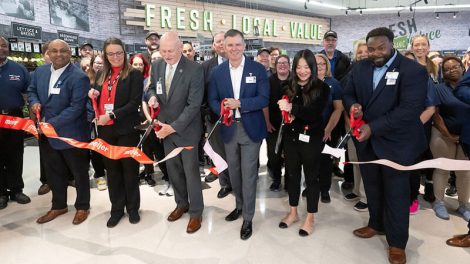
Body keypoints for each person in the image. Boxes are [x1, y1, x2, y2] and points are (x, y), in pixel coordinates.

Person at [343, 27, 428, 264]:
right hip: (367, 144)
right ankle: (376, 224)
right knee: (373, 187)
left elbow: (410, 109)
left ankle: (397, 243)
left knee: (397, 194)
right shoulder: (360, 66)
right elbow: (348, 92)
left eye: (381, 48)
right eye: (371, 49)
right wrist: (354, 107)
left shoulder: (412, 70)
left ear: (392, 44)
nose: (375, 53)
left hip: (398, 144)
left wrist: (373, 127)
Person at [208, 29, 269, 240]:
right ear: (223, 47)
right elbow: (213, 100)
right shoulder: (217, 72)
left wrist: (240, 104)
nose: (234, 49)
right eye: (230, 45)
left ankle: (249, 218)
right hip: (228, 128)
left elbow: (263, 99)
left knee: (249, 173)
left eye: (238, 45)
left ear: (244, 46)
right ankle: (239, 206)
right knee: (234, 172)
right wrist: (223, 108)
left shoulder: (257, 69)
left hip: (251, 129)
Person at [28, 39, 91, 225]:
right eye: (54, 51)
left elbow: (77, 107)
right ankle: (59, 205)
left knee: (79, 173)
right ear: (48, 53)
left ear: (70, 53)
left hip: (71, 134)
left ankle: (82, 206)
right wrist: (33, 103)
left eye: (63, 51)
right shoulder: (39, 72)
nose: (58, 54)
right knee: (53, 171)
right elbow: (31, 91)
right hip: (47, 135)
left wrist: (50, 124)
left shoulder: (78, 77)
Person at [147, 32, 204, 234]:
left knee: (191, 173)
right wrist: (152, 97)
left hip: (185, 130)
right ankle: (181, 204)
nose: (167, 55)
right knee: (174, 171)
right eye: (163, 51)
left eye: (171, 50)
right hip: (165, 129)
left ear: (180, 48)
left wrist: (173, 127)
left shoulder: (194, 70)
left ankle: (196, 212)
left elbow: (194, 105)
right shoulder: (157, 66)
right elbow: (151, 88)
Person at [88, 37, 143, 227]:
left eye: (119, 52)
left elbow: (134, 103)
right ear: (105, 55)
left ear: (124, 53)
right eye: (110, 53)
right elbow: (97, 94)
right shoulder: (101, 74)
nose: (115, 57)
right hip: (106, 132)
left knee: (130, 171)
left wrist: (111, 115)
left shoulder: (134, 74)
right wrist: (92, 94)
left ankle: (133, 208)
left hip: (127, 130)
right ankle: (117, 209)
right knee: (112, 172)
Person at [277, 49, 330, 236]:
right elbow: (284, 112)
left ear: (312, 67)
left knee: (311, 178)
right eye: (298, 67)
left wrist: (292, 108)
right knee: (292, 176)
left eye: (306, 67)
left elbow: (314, 114)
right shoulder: (288, 86)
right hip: (291, 139)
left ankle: (310, 217)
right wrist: (286, 114)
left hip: (311, 140)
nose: (302, 71)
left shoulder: (322, 88)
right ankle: (293, 213)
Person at [431, 56, 470, 222]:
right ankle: (439, 202)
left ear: (462, 67)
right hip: (443, 134)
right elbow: (435, 114)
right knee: (443, 169)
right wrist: (448, 134)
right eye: (446, 69)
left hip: (467, 136)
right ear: (443, 73)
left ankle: (463, 205)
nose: (451, 70)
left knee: (465, 172)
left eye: (455, 66)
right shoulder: (439, 88)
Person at [0, 36, 31, 209]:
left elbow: (28, 94)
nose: (1, 48)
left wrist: (33, 117)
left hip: (14, 117)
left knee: (16, 154)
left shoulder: (19, 69)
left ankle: (16, 189)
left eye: (4, 45)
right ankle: (1, 193)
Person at [201, 31, 233, 198]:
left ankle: (237, 181)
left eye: (223, 41)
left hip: (236, 118)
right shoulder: (206, 67)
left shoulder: (239, 63)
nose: (221, 44)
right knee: (219, 153)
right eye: (217, 42)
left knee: (235, 151)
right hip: (214, 118)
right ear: (214, 46)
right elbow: (202, 93)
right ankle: (225, 183)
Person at [341, 40, 369, 212]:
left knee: (366, 162)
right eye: (360, 52)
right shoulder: (350, 74)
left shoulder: (376, 73)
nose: (364, 54)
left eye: (367, 51)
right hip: (351, 126)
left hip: (368, 127)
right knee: (355, 160)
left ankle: (366, 196)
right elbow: (345, 98)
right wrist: (349, 124)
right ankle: (357, 191)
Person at [314, 53, 344, 204]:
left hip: (329, 129)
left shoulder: (334, 83)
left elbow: (338, 108)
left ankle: (325, 190)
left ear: (327, 66)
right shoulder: (305, 82)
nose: (319, 66)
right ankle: (312, 186)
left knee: (325, 161)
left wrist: (329, 129)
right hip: (309, 131)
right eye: (316, 63)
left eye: (322, 64)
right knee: (310, 161)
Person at [265, 55, 290, 191]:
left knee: (291, 156)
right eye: (279, 63)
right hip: (273, 125)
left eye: (285, 63)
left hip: (292, 126)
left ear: (289, 65)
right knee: (274, 156)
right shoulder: (269, 81)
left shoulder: (295, 80)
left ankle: (289, 180)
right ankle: (276, 179)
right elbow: (265, 104)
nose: (282, 65)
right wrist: (267, 122)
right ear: (275, 64)